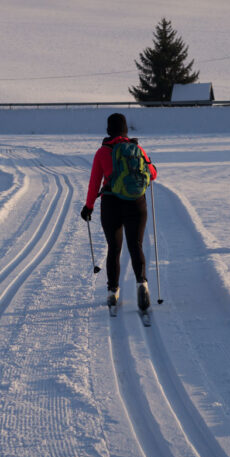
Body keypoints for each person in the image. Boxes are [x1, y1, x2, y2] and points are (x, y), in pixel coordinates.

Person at [81, 112, 157, 310]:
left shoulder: (102, 153)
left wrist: (88, 207)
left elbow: (94, 183)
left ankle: (112, 292)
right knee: (136, 245)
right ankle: (142, 284)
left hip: (111, 204)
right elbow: (153, 174)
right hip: (136, 203)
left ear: (108, 130)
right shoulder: (137, 148)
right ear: (125, 130)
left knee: (114, 248)